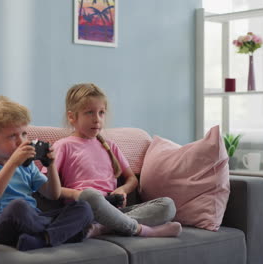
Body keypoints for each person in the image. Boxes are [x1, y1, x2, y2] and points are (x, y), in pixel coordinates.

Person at [52, 83, 182, 237]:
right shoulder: (63, 146)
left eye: (101, 113)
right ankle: (142, 230)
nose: (97, 119)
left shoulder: (110, 146)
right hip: (85, 208)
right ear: (72, 117)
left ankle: (104, 227)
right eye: (89, 113)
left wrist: (123, 189)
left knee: (167, 205)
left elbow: (132, 179)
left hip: (114, 210)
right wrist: (76, 194)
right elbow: (46, 187)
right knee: (90, 195)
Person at [0, 96, 94, 251]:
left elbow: (54, 194)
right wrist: (13, 164)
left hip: (33, 221)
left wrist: (50, 166)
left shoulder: (27, 165)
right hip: (0, 226)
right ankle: (68, 234)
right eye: (12, 136)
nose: (21, 141)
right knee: (18, 206)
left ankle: (42, 239)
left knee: (84, 208)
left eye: (24, 134)